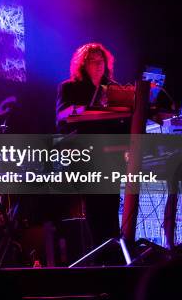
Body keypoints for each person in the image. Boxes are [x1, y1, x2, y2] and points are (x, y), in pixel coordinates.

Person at [55, 43, 123, 247]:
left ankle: (115, 255)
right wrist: (81, 109)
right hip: (86, 154)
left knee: (111, 208)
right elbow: (61, 117)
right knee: (95, 208)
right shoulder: (69, 87)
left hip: (111, 155)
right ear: (83, 65)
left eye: (101, 61)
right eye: (93, 61)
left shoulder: (113, 88)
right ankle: (99, 256)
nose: (98, 65)